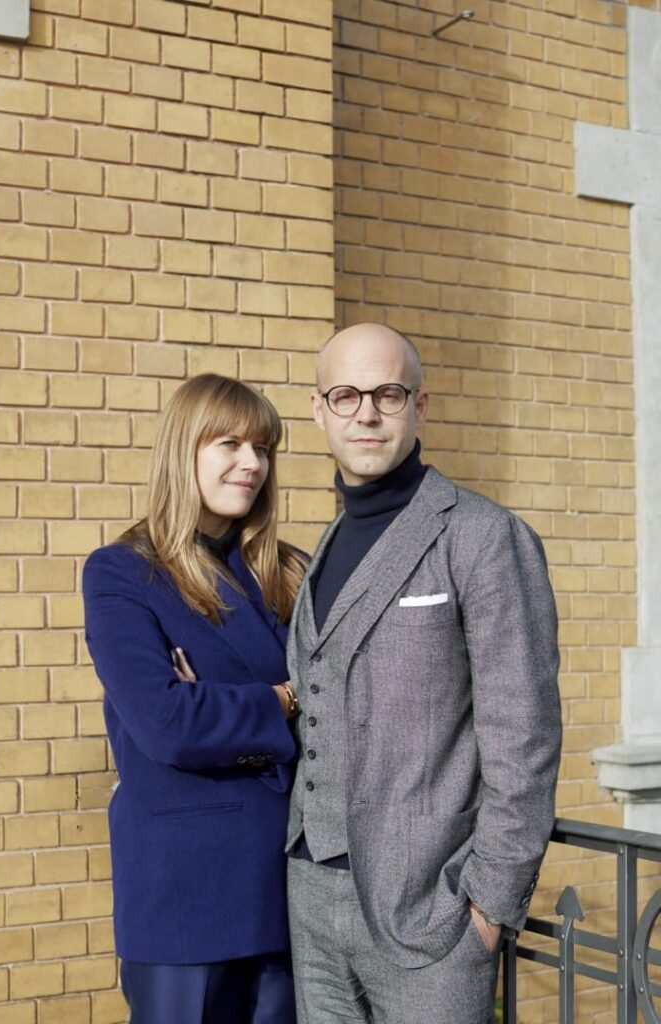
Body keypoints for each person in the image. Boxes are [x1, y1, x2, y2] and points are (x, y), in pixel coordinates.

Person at [285, 322, 562, 1024]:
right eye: (345, 396)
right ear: (319, 410)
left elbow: (524, 736)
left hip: (431, 915)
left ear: (420, 405)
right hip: (311, 899)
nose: (366, 414)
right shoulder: (329, 541)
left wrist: (488, 908)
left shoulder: (483, 535)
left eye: (388, 394)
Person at [83, 373, 306, 1024]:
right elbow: (167, 724)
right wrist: (284, 700)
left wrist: (221, 704)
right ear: (184, 449)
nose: (252, 463)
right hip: (187, 897)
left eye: (262, 448)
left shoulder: (291, 571)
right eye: (229, 444)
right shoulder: (124, 573)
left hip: (289, 884)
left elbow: (344, 703)